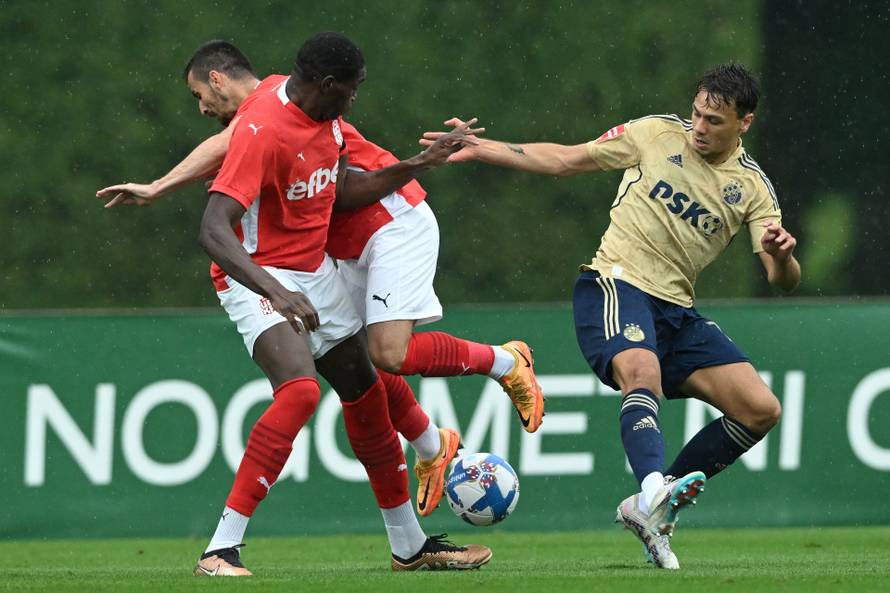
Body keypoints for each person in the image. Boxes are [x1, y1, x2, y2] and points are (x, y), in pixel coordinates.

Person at [97, 41, 546, 518]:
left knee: (389, 352)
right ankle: (433, 447)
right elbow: (226, 147)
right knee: (361, 365)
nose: (201, 108)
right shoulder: (274, 106)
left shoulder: (282, 104)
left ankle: (504, 360)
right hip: (338, 244)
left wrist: (159, 187)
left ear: (216, 79)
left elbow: (227, 150)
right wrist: (160, 188)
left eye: (197, 94)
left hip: (392, 222)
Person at [423, 64, 799, 570]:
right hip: (615, 284)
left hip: (677, 311)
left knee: (761, 409)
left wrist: (781, 255)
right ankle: (651, 491)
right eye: (697, 114)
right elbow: (565, 160)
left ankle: (653, 507)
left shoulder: (752, 187)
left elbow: (784, 280)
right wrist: (484, 149)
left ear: (744, 123)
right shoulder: (654, 134)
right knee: (643, 376)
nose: (700, 128)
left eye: (714, 120)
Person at [158, 32, 489, 575]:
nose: (356, 98)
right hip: (254, 275)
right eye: (352, 89)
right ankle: (219, 549)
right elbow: (213, 229)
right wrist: (276, 290)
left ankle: (408, 546)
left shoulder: (327, 121)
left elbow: (345, 192)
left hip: (313, 274)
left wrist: (418, 163)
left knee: (366, 394)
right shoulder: (262, 128)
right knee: (300, 392)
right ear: (328, 84)